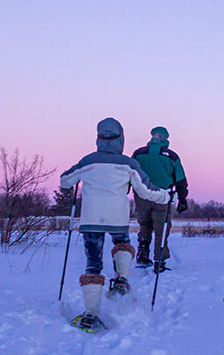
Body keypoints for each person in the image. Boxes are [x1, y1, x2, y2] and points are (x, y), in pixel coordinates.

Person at [60, 117, 169, 331]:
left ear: (98, 137)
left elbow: (65, 181)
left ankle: (90, 315)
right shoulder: (128, 164)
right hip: (117, 218)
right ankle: (121, 281)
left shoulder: (88, 161)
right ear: (121, 138)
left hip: (91, 220)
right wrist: (164, 197)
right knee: (122, 244)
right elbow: (145, 190)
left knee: (93, 264)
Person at [131, 125, 189, 272]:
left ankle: (143, 253)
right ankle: (159, 260)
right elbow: (180, 180)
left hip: (142, 195)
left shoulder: (138, 153)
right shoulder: (171, 156)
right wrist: (182, 199)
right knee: (161, 227)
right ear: (164, 138)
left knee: (145, 224)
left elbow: (130, 173)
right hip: (163, 197)